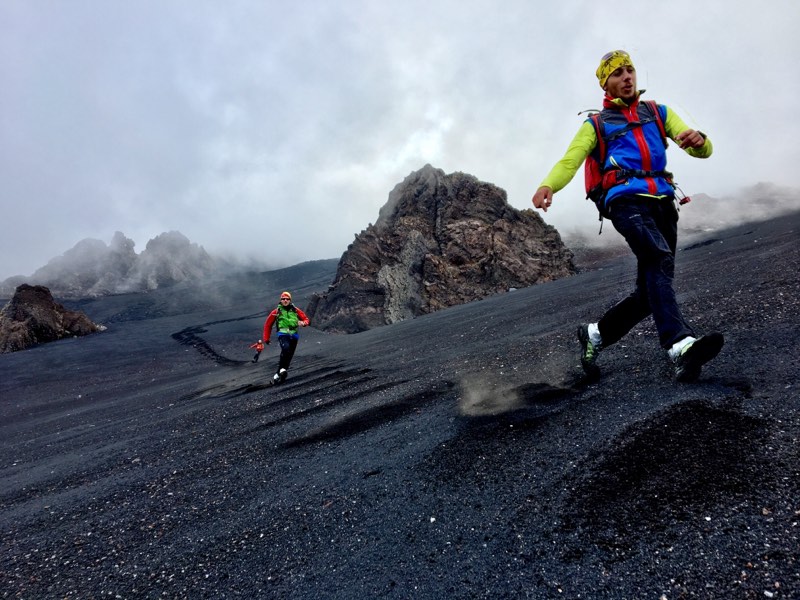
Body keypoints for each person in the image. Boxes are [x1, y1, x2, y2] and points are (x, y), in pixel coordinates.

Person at [531, 49, 723, 382]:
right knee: (658, 257)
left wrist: (700, 140)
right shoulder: (596, 125)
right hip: (625, 202)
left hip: (663, 203)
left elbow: (699, 149)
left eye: (629, 70)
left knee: (649, 294)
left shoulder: (658, 112)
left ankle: (595, 334)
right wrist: (549, 185)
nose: (627, 77)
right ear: (606, 83)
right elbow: (569, 161)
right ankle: (679, 345)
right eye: (617, 73)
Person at [261, 291, 310, 384]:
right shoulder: (276, 312)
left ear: (290, 300)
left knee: (289, 355)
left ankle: (277, 375)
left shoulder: (295, 310)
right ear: (280, 300)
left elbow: (306, 319)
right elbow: (268, 324)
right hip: (283, 333)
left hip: (294, 334)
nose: (285, 300)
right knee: (285, 348)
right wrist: (266, 338)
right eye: (283, 299)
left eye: (287, 299)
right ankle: (282, 369)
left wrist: (304, 323)